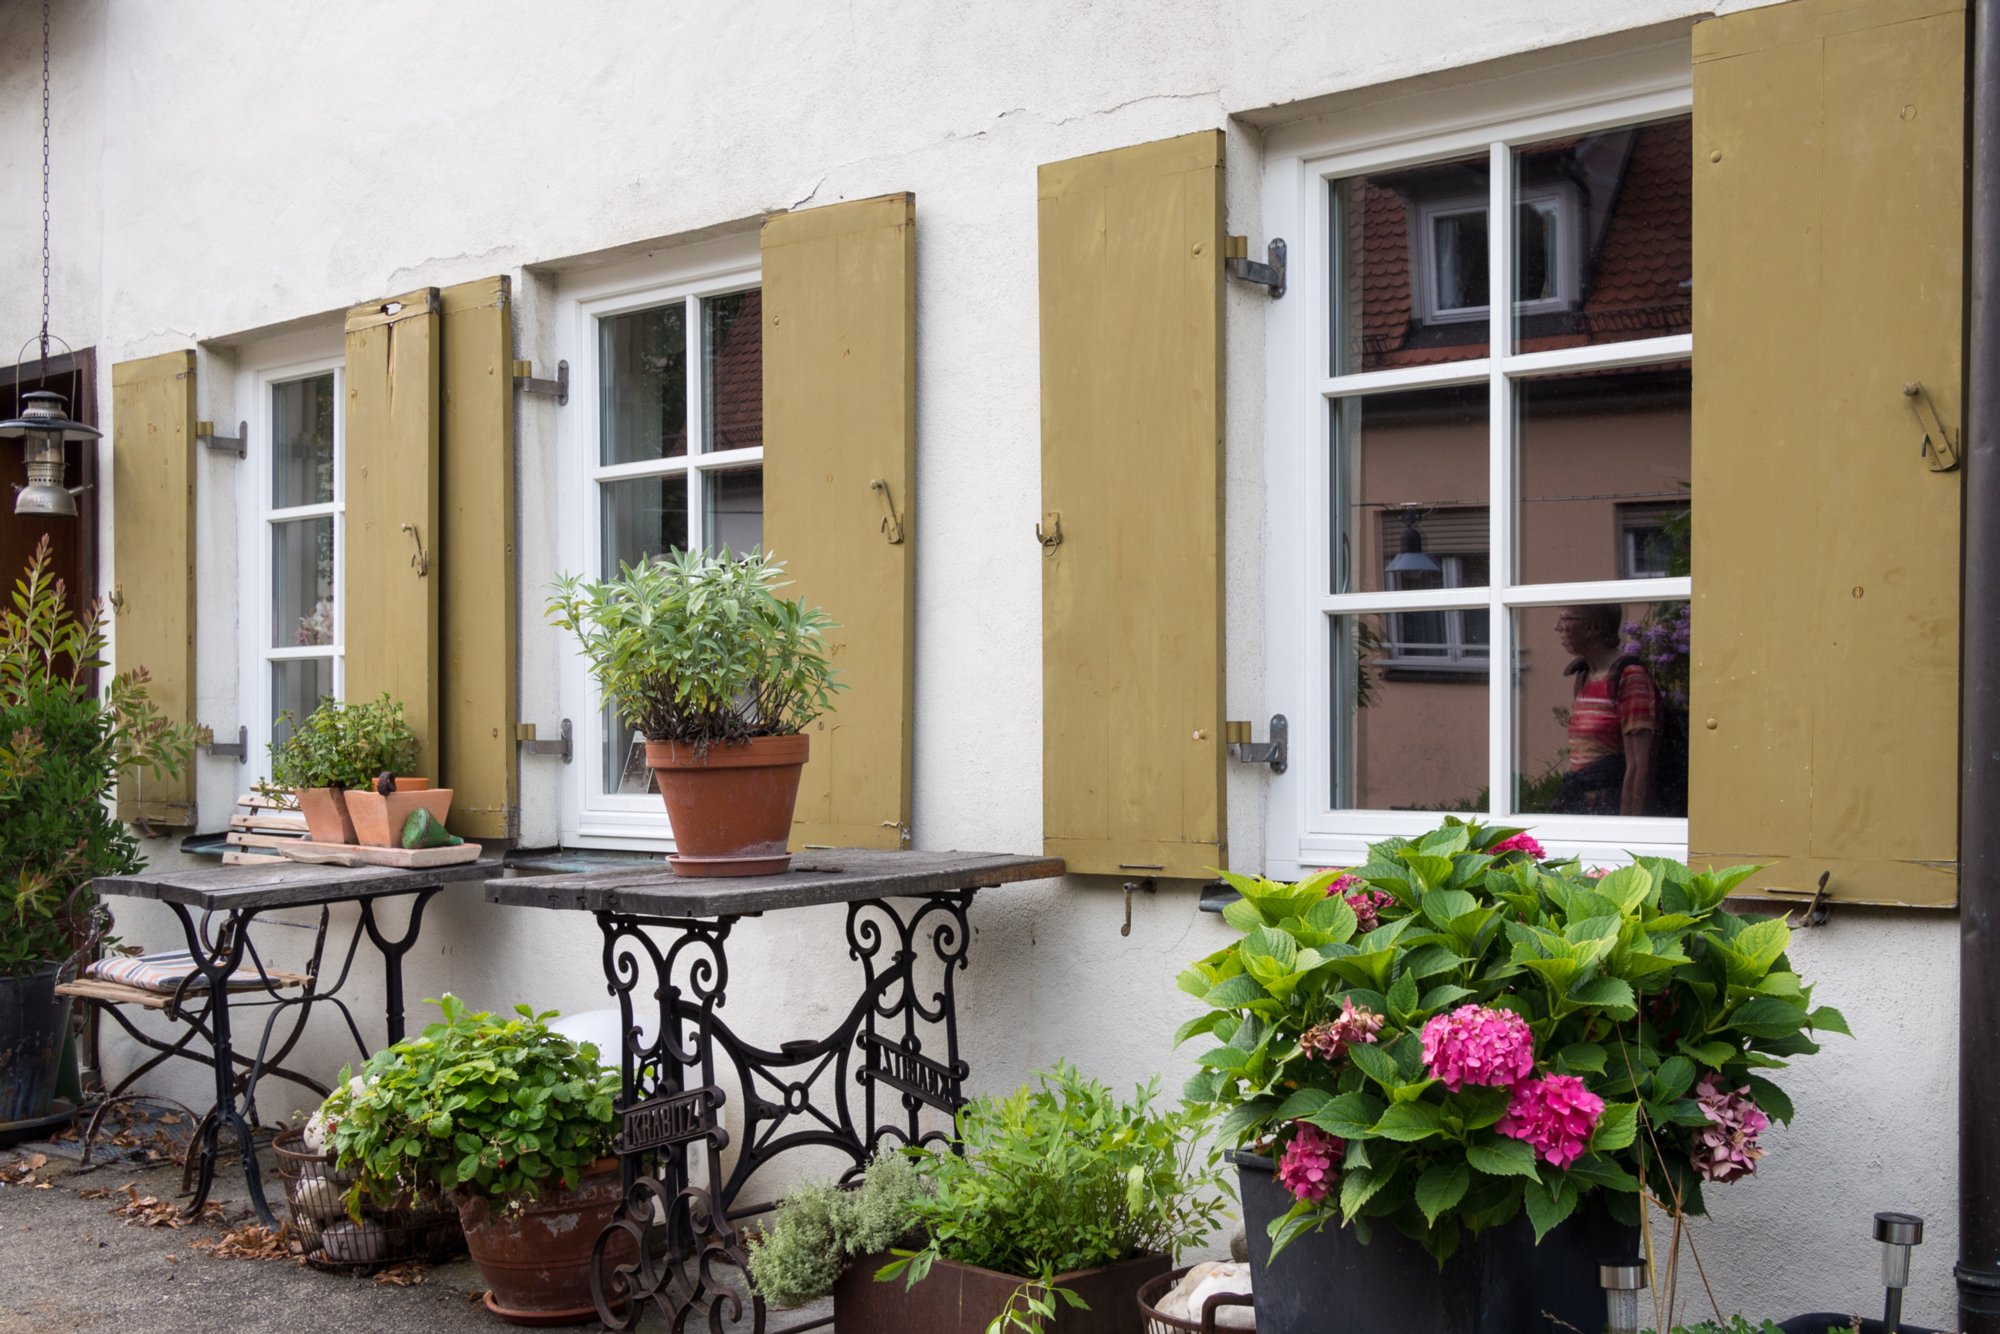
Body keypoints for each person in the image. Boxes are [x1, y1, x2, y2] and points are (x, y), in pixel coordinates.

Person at [1553, 604, 1657, 816]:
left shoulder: (1630, 676)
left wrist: (1629, 826)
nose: (1558, 627)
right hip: (1583, 806)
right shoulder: (1583, 675)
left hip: (1609, 806)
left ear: (1594, 627)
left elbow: (1639, 765)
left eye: (1567, 619)